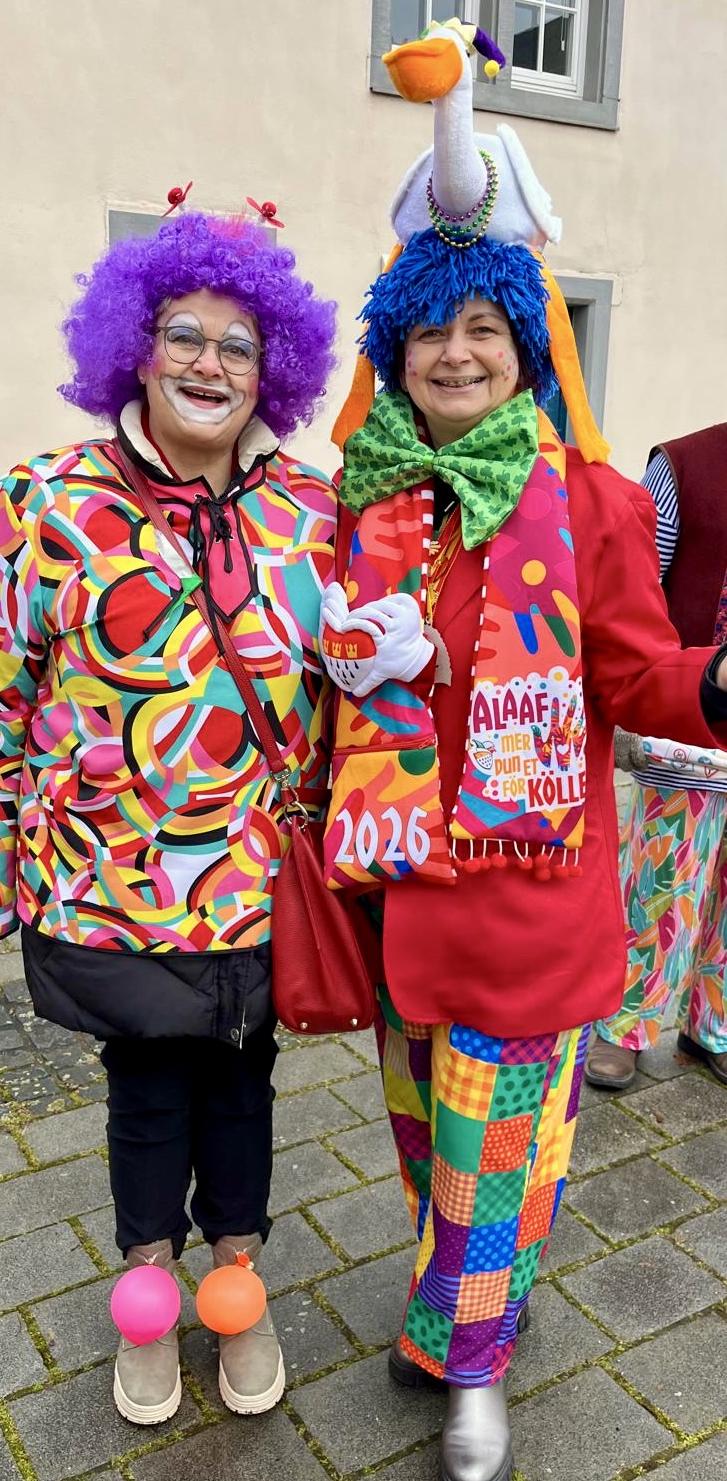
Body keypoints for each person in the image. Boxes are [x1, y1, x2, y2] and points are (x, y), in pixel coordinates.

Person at [316, 82, 727, 1481]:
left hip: (531, 899)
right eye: (429, 325)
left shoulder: (594, 502)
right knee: (436, 1136)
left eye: (484, 324)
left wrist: (715, 688)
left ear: (527, 345)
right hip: (395, 900)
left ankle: (473, 1365)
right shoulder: (360, 502)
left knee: (495, 1153)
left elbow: (639, 676)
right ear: (397, 343)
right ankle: (461, 1306)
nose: (455, 351)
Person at [0, 205, 337, 1427]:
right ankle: (149, 1298)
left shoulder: (309, 508)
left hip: (262, 887)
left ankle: (237, 1283)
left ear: (275, 369)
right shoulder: (45, 498)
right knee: (148, 1092)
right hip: (110, 883)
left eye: (238, 346)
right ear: (134, 347)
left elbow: (360, 690)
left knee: (247, 1087)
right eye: (182, 335)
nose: (209, 365)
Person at [585, 423, 727, 1091]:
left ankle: (714, 1025)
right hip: (687, 728)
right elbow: (635, 581)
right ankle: (622, 1026)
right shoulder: (685, 465)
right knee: (662, 886)